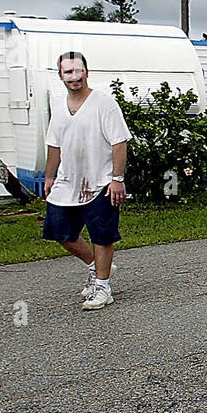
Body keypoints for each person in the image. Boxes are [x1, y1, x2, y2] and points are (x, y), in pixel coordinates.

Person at [42, 51, 130, 311]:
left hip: (101, 181)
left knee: (102, 236)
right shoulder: (59, 106)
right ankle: (97, 266)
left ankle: (103, 287)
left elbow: (119, 142)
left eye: (78, 70)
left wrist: (117, 179)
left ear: (87, 72)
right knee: (60, 232)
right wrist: (49, 176)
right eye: (68, 72)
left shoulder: (104, 102)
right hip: (67, 182)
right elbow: (54, 145)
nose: (74, 76)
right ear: (60, 76)